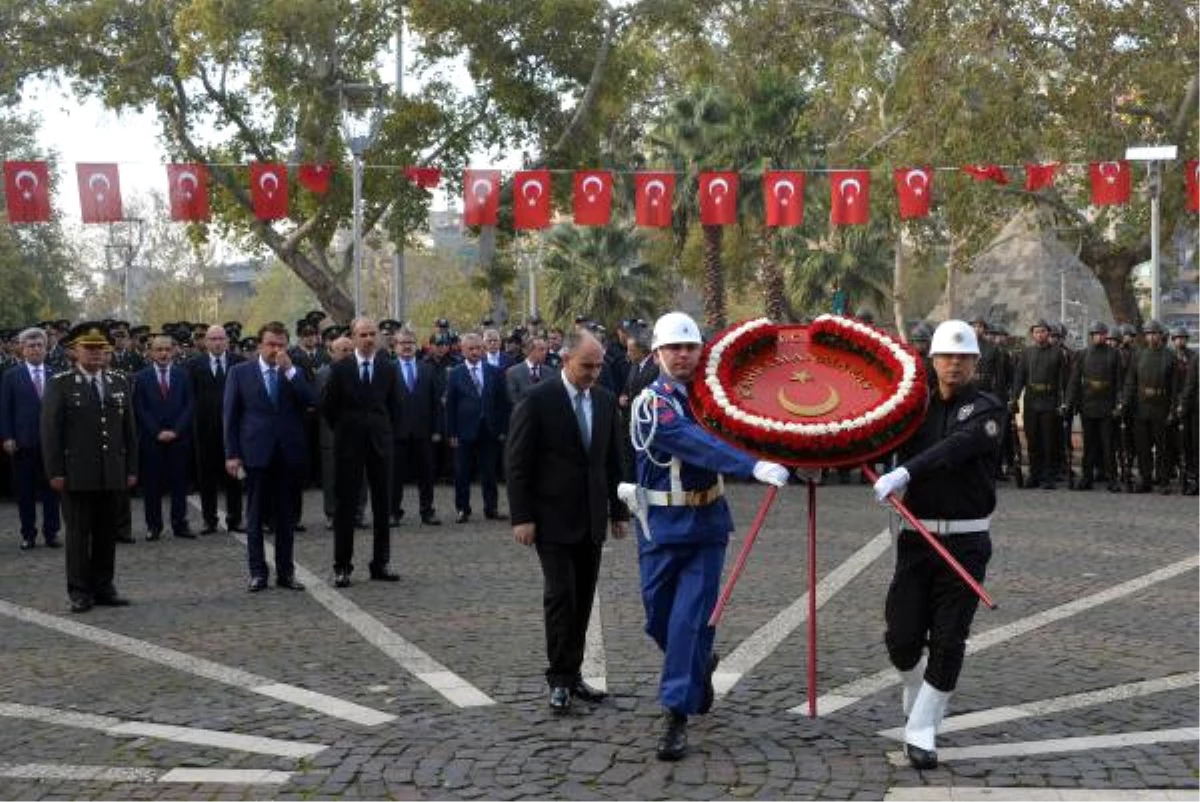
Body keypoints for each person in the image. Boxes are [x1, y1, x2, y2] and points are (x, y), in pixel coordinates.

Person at [628, 312, 789, 761]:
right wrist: (750, 466)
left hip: (706, 527)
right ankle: (699, 665)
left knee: (687, 621)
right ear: (657, 353)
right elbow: (688, 441)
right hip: (660, 528)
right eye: (674, 348)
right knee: (659, 619)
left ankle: (676, 714)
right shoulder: (652, 402)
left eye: (690, 347)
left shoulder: (714, 399)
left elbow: (753, 420)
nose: (683, 355)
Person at [871, 319, 1003, 770]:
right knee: (901, 637)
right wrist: (818, 463)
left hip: (965, 542)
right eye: (947, 356)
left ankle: (923, 727)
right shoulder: (913, 410)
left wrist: (906, 472)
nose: (955, 364)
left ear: (975, 363)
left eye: (964, 357)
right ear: (932, 360)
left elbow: (957, 448)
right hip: (916, 538)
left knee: (949, 640)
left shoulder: (988, 410)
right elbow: (873, 436)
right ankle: (915, 684)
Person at [506, 330, 629, 715]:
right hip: (550, 518)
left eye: (598, 366)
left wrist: (619, 511)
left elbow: (613, 461)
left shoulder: (607, 402)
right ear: (565, 361)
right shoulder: (538, 399)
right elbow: (518, 462)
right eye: (586, 366)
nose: (593, 373)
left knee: (583, 598)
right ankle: (559, 679)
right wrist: (522, 516)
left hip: (591, 517)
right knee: (561, 597)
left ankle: (574, 675)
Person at [41, 322, 139, 613]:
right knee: (78, 534)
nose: (96, 354)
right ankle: (79, 591)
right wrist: (55, 471)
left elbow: (129, 431)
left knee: (107, 532)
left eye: (101, 349)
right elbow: (50, 432)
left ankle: (104, 586)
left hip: (111, 471)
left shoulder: (119, 381)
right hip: (76, 473)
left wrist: (131, 468)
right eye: (90, 348)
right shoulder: (61, 384)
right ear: (75, 351)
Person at [223, 321, 315, 592]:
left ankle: (286, 572)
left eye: (281, 345)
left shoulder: (295, 370)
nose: (276, 350)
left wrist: (290, 372)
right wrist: (232, 454)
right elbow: (230, 416)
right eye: (271, 344)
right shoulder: (240, 373)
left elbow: (310, 400)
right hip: (256, 453)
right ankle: (258, 573)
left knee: (286, 517)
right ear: (260, 345)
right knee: (255, 515)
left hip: (288, 452)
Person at [321, 317, 401, 587]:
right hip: (349, 445)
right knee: (346, 507)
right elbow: (328, 407)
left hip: (380, 445)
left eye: (372, 334)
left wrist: (385, 433)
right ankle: (342, 566)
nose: (368, 339)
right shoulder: (341, 368)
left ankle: (381, 563)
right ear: (353, 338)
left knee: (382, 506)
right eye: (363, 335)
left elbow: (395, 406)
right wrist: (347, 429)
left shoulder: (388, 368)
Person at [1, 327, 61, 550]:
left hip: (51, 445)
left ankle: (52, 532)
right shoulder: (11, 376)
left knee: (51, 491)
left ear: (46, 349)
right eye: (31, 346)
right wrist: (7, 436)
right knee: (25, 493)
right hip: (23, 443)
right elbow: (4, 410)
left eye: (40, 346)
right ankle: (28, 534)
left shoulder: (55, 376)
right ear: (22, 349)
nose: (36, 349)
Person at [133, 334, 195, 540]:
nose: (163, 354)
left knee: (179, 484)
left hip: (179, 438)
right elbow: (140, 409)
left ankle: (180, 524)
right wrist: (157, 431)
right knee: (152, 485)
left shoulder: (183, 375)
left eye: (167, 349)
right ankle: (154, 526)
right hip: (152, 440)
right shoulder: (140, 377)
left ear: (174, 351)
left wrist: (175, 431)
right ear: (151, 352)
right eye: (158, 350)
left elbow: (189, 406)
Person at [445, 331, 510, 523]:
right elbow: (450, 405)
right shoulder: (455, 373)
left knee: (489, 471)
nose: (475, 352)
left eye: (479, 348)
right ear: (463, 350)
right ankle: (462, 509)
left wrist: (502, 429)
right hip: (463, 430)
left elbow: (502, 403)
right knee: (462, 471)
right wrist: (452, 432)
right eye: (471, 348)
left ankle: (491, 508)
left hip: (489, 429)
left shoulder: (494, 371)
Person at [187, 324, 245, 533]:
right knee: (206, 479)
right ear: (205, 342)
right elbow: (190, 398)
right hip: (204, 432)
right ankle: (209, 520)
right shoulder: (194, 365)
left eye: (221, 338)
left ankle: (235, 519)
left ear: (227, 341)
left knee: (234, 479)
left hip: (232, 430)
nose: (217, 343)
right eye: (213, 339)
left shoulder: (239, 363)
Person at [392, 327, 443, 526]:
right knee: (395, 477)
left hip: (424, 432)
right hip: (397, 432)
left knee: (426, 475)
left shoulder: (427, 369)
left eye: (410, 343)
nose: (406, 347)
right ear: (395, 347)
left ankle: (427, 511)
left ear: (416, 346)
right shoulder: (389, 369)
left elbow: (436, 403)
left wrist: (438, 429)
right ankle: (393, 512)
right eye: (402, 343)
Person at [1120, 320, 1176, 493]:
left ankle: (1163, 480)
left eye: (1155, 333)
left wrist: (1173, 409)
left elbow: (1175, 387)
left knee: (1163, 447)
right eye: (1148, 334)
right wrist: (1125, 403)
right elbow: (1131, 381)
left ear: (1161, 335)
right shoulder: (1138, 355)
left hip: (1161, 407)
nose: (1151, 337)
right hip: (1141, 407)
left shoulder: (1169, 356)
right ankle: (1145, 479)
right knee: (1142, 446)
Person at [1011, 319, 1067, 489]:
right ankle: (1034, 474)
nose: (1039, 334)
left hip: (1049, 401)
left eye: (1043, 331)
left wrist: (1062, 402)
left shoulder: (1057, 353)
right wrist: (1014, 397)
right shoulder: (1026, 353)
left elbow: (1062, 380)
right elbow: (1020, 377)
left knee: (1049, 440)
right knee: (1032, 440)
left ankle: (1049, 476)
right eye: (1036, 331)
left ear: (1048, 333)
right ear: (1032, 334)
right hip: (1031, 401)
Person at [1066, 322, 1121, 491]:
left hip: (1106, 405)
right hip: (1088, 405)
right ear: (1091, 336)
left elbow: (1119, 381)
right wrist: (1070, 403)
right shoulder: (1082, 354)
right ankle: (1087, 477)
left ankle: (1112, 479)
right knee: (1089, 445)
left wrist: (1118, 403)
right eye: (1097, 333)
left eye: (1103, 333)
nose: (1100, 336)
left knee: (1108, 445)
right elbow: (1074, 381)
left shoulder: (1114, 354)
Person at [505, 336, 548, 409]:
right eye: (541, 349)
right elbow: (513, 398)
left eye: (546, 349)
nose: (545, 353)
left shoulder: (549, 372)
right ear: (530, 351)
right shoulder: (513, 372)